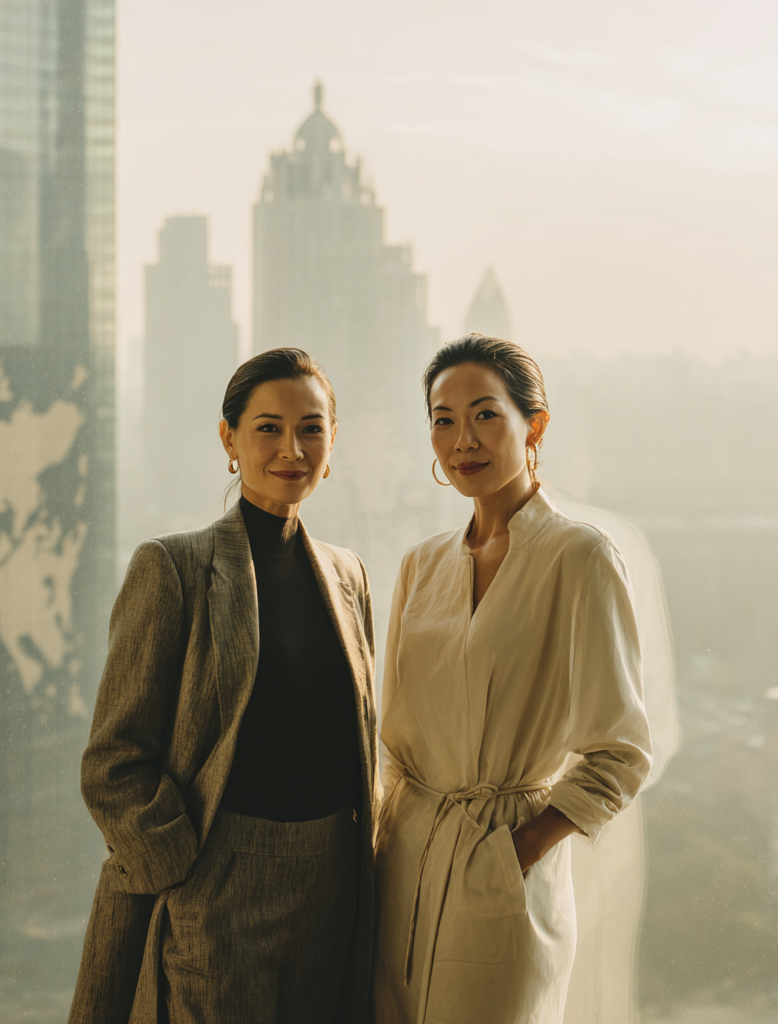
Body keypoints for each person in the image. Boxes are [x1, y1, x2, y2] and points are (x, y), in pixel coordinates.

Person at [69, 348, 379, 1024]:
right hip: (216, 883)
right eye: (268, 427)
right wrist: (183, 869)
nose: (291, 449)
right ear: (228, 439)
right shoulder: (173, 568)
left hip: (330, 892)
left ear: (332, 442)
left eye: (312, 428)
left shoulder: (348, 576)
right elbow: (112, 760)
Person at [372, 334, 653, 1024]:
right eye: (443, 419)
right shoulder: (421, 565)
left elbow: (621, 752)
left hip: (501, 882)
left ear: (536, 424)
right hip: (399, 871)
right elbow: (392, 733)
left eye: (485, 414)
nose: (462, 438)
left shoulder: (581, 557)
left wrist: (514, 852)